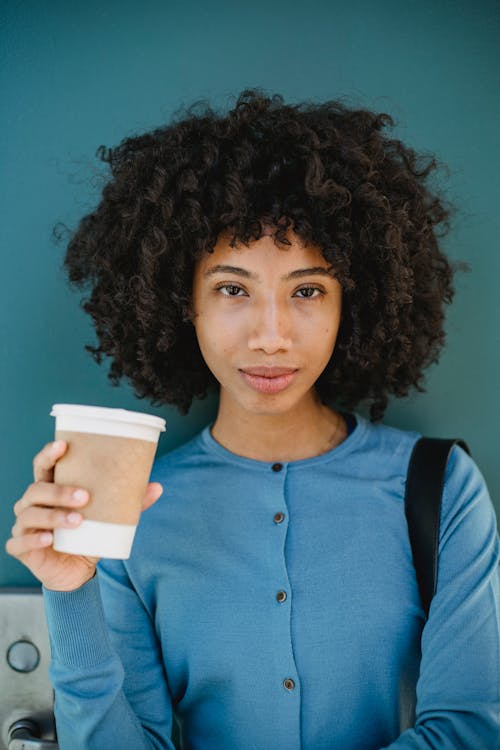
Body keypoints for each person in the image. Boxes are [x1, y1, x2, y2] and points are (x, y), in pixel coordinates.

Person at [6, 88, 500, 750]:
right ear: (184, 302)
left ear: (352, 302)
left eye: (306, 291)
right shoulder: (131, 512)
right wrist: (68, 589)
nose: (271, 335)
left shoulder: (442, 487)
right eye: (233, 289)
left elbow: (467, 729)